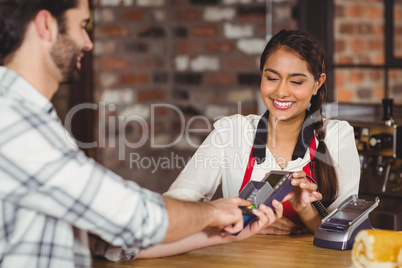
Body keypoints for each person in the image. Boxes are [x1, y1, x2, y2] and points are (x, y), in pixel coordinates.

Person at [0, 0, 287, 266]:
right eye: (81, 26)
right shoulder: (13, 122)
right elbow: (132, 215)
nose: (87, 42)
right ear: (46, 25)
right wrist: (214, 213)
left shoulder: (34, 119)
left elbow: (107, 239)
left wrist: (227, 232)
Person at [164, 29, 360, 235]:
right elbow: (176, 203)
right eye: (272, 78)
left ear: (317, 84)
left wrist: (306, 209)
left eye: (296, 81)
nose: (281, 91)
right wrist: (243, 219)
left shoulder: (338, 136)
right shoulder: (232, 132)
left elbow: (344, 231)